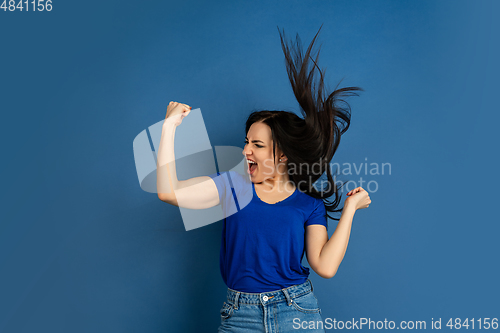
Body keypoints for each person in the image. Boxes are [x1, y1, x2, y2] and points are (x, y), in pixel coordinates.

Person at [157, 25, 371, 333]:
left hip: (296, 310)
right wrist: (169, 128)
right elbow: (168, 192)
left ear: (282, 155)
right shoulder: (233, 186)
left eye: (256, 145)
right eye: (246, 142)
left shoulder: (308, 204)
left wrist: (349, 211)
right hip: (239, 315)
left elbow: (324, 265)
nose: (245, 151)